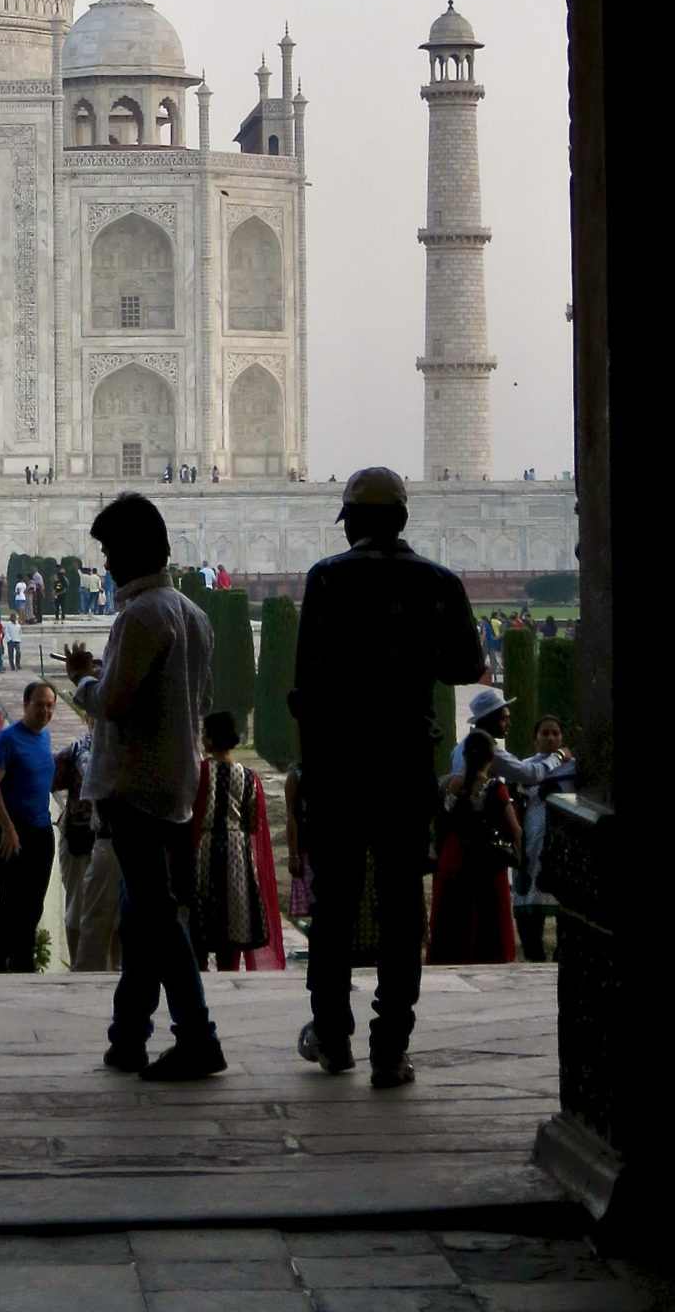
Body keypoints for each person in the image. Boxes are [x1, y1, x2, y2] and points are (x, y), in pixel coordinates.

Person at [289, 465, 484, 1089]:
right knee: (402, 910)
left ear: (353, 525)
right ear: (402, 518)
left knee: (335, 905)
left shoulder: (328, 579)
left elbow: (306, 688)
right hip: (405, 767)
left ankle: (332, 1036)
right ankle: (390, 1049)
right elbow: (466, 667)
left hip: (341, 768)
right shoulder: (438, 583)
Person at [62, 494, 222, 1080]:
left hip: (133, 787)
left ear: (131, 551)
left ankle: (198, 1037)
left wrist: (83, 680)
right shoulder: (192, 613)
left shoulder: (141, 616)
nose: (104, 564)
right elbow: (190, 701)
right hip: (177, 780)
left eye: (109, 551)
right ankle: (128, 1036)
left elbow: (114, 704)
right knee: (139, 917)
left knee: (155, 917)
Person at [191, 711, 285, 973]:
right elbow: (254, 823)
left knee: (201, 919)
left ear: (210, 739)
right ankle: (229, 973)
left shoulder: (200, 773)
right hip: (237, 854)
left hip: (205, 850)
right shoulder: (249, 778)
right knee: (234, 919)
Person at [0, 682, 61, 972]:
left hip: (41, 828)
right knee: (11, 901)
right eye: (39, 704)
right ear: (26, 704)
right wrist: (8, 828)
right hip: (12, 829)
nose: (45, 710)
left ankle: (23, 963)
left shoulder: (45, 738)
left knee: (34, 902)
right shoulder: (8, 739)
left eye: (50, 705)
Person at [428, 728, 521, 962]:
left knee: (451, 919)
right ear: (491, 757)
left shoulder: (446, 784)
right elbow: (515, 831)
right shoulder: (495, 788)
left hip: (452, 859)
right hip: (485, 862)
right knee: (486, 921)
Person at [511, 714, 575, 961]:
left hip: (561, 849)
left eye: (555, 733)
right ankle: (533, 956)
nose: (550, 738)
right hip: (531, 846)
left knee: (565, 905)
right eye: (545, 734)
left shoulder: (574, 769)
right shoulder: (526, 769)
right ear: (535, 739)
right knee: (529, 904)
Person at [58, 725, 121, 971]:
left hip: (106, 838)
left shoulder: (121, 748)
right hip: (83, 839)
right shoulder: (79, 752)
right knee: (80, 904)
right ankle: (81, 965)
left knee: (116, 909)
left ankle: (110, 966)